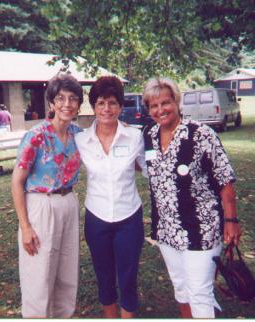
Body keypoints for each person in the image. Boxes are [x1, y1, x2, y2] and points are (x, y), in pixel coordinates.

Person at [142, 77, 242, 319]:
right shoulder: (149, 135)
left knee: (199, 292)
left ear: (176, 102)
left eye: (166, 103)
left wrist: (231, 221)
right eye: (153, 106)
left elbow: (224, 180)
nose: (160, 110)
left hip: (201, 228)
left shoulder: (201, 134)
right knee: (181, 289)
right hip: (166, 230)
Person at [11, 73, 83, 318]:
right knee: (39, 274)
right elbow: (17, 182)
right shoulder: (36, 136)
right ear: (51, 103)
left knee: (66, 272)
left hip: (69, 204)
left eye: (73, 99)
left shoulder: (78, 135)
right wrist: (25, 227)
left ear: (78, 104)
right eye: (60, 98)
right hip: (41, 206)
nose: (67, 104)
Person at [75, 76, 146, 318]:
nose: (107, 109)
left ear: (121, 105)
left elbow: (149, 170)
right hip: (96, 218)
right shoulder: (81, 140)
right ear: (93, 106)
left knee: (128, 275)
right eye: (101, 103)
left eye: (113, 103)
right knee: (104, 275)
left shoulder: (135, 137)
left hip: (129, 217)